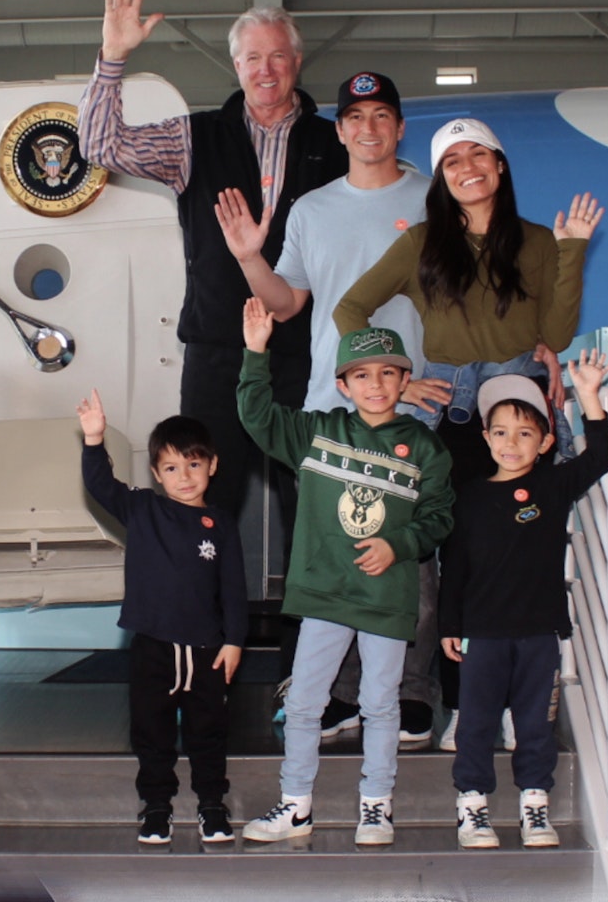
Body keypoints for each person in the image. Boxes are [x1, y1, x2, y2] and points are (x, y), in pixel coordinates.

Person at [332, 117, 604, 748]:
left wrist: (573, 250)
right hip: (447, 412)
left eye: (478, 154)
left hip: (513, 410)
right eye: (452, 160)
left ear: (500, 165)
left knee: (509, 549)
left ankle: (503, 701)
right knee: (425, 556)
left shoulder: (537, 241)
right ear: (442, 176)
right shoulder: (423, 242)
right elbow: (351, 306)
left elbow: (557, 335)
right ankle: (421, 697)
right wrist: (397, 379)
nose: (466, 167)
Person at [215, 71, 451, 743]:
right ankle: (342, 696)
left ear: (400, 128)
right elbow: (286, 302)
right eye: (356, 117)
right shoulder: (313, 209)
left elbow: (460, 301)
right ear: (340, 129)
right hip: (332, 410)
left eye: (383, 115)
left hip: (416, 406)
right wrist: (248, 258)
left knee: (407, 558)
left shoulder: (433, 203)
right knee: (332, 554)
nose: (369, 128)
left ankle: (410, 692)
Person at [78, 0, 348, 516]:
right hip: (217, 354)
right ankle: (200, 602)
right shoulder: (193, 138)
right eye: (252, 58)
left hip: (309, 356)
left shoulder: (336, 142)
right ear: (236, 66)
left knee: (317, 503)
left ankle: (309, 606)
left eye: (277, 57)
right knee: (201, 501)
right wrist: (112, 55)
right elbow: (98, 144)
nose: (265, 70)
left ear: (297, 64)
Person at [237, 298, 454, 845]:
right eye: (361, 375)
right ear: (343, 384)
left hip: (385, 598)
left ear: (405, 381)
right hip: (325, 597)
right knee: (305, 703)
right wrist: (255, 352)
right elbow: (257, 417)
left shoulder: (425, 447)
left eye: (388, 374)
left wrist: (399, 544)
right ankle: (295, 806)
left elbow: (439, 516)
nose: (375, 385)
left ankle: (376, 807)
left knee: (380, 705)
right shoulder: (317, 432)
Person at [439, 351, 608, 849]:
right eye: (500, 432)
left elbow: (600, 458)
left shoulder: (553, 485)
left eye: (524, 433)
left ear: (545, 442)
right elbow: (456, 568)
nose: (511, 443)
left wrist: (589, 397)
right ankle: (472, 806)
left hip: (538, 631)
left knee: (535, 724)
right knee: (475, 723)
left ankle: (534, 807)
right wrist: (450, 624)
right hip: (483, 634)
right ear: (486, 438)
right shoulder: (468, 496)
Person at [77, 392, 248, 845]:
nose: (184, 476)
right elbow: (100, 485)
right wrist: (94, 439)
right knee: (151, 733)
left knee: (208, 733)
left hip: (208, 650)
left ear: (212, 465)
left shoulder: (221, 522)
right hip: (153, 647)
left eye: (194, 464)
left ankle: (212, 804)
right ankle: (157, 807)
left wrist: (235, 640)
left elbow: (233, 588)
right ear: (156, 474)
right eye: (171, 468)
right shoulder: (143, 508)